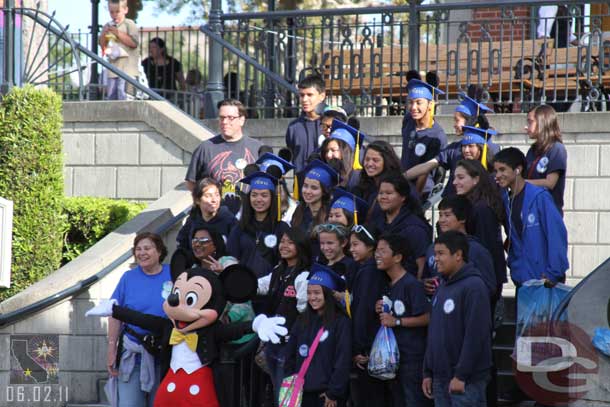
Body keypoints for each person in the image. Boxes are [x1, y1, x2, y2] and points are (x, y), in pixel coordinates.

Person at [422, 231, 492, 407]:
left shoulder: (474, 287)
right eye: (435, 253)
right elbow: (434, 331)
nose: (435, 259)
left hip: (465, 381)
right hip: (440, 377)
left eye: (441, 253)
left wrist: (461, 375)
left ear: (458, 255)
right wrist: (427, 372)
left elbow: (476, 335)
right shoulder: (442, 286)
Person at [107, 232, 171, 407]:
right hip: (133, 355)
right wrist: (111, 350)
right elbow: (114, 314)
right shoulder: (128, 278)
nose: (142, 253)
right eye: (138, 249)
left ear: (159, 251)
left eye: (147, 248)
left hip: (165, 355)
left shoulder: (173, 273)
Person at [493, 147, 569, 286]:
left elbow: (556, 234)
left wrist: (554, 273)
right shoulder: (506, 200)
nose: (497, 175)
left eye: (502, 170)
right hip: (522, 280)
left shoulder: (539, 197)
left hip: (546, 280)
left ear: (518, 169)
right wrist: (515, 266)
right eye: (496, 170)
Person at [283, 264, 352, 407]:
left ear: (327, 294)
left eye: (317, 293)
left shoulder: (341, 323)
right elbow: (289, 355)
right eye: (309, 293)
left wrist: (334, 392)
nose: (312, 297)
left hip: (326, 396)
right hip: (300, 393)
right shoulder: (302, 320)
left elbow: (342, 359)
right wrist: (290, 383)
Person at [375, 234, 431, 407]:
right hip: (393, 360)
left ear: (398, 257)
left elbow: (427, 317)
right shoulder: (388, 284)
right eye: (376, 250)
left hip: (412, 360)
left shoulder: (411, 284)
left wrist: (397, 321)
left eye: (382, 251)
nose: (377, 255)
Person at [257, 227, 312, 403]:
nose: (284, 246)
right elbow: (257, 285)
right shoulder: (278, 269)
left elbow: (305, 313)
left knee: (288, 397)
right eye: (282, 241)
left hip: (291, 347)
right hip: (273, 344)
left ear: (301, 246)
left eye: (290, 242)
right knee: (277, 393)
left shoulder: (304, 275)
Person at [404, 94, 496, 197]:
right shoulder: (453, 149)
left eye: (457, 120)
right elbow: (427, 166)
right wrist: (402, 177)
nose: (466, 150)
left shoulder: (491, 149)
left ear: (470, 121)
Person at [422, 195, 496, 298]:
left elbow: (489, 288)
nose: (442, 220)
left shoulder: (477, 250)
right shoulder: (432, 248)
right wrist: (425, 284)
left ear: (462, 219)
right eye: (440, 215)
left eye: (447, 215)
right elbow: (426, 276)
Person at [348, 225, 389, 407]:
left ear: (370, 246)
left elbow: (363, 312)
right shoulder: (365, 269)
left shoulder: (369, 272)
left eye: (356, 244)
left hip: (367, 349)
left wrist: (359, 348)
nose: (351, 249)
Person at [185, 99, 262, 195]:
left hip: (248, 208)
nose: (224, 122)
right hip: (216, 209)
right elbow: (191, 183)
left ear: (241, 120)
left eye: (230, 118)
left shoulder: (257, 148)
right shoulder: (205, 148)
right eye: (222, 117)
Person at [453, 159, 507, 298]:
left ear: (476, 179)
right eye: (454, 178)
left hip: (483, 280)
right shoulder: (474, 204)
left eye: (461, 177)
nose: (454, 182)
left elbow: (485, 248)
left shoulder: (482, 209)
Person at [227, 171, 289, 278]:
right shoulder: (239, 228)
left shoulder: (281, 228)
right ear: (249, 198)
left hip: (272, 287)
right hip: (243, 285)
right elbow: (231, 258)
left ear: (272, 198)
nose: (259, 199)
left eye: (264, 195)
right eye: (254, 195)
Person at [370, 174, 432, 279]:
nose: (383, 197)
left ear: (403, 197)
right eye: (381, 193)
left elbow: (422, 264)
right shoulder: (377, 222)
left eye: (389, 193)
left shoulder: (415, 228)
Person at [400, 79, 448, 198]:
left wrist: (415, 198)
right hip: (402, 182)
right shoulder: (408, 120)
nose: (413, 107)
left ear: (430, 104)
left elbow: (425, 172)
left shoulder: (437, 135)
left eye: (418, 102)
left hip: (421, 189)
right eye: (410, 102)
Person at [524, 105, 567, 212]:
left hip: (549, 211)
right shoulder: (532, 150)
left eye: (530, 122)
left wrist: (522, 182)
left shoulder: (556, 149)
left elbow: (550, 183)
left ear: (542, 122)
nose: (526, 127)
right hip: (531, 210)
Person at [175, 177, 236, 251]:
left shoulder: (229, 220)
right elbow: (182, 245)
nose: (214, 200)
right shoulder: (192, 220)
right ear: (197, 200)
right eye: (208, 196)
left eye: (217, 195)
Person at [286, 75, 327, 173]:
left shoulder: (332, 124)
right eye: (302, 95)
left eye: (309, 95)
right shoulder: (293, 127)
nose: (304, 99)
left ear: (322, 96)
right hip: (301, 184)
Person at [99, 0, 139, 100]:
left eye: (117, 12)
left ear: (125, 10)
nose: (114, 15)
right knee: (111, 98)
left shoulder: (129, 24)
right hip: (113, 70)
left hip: (128, 71)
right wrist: (104, 34)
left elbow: (134, 43)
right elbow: (103, 47)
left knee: (125, 97)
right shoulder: (108, 25)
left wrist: (117, 33)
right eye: (111, 12)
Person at [352, 140, 403, 218]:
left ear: (387, 162)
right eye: (367, 159)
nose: (369, 164)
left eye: (375, 160)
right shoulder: (361, 189)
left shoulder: (397, 189)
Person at [291, 160, 340, 235]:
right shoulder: (299, 211)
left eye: (314, 188)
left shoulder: (330, 215)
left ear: (324, 192)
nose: (307, 191)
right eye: (305, 186)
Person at [320, 120, 367, 191]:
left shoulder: (361, 178)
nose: (328, 155)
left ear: (346, 151)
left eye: (333, 150)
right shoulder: (327, 176)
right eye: (327, 151)